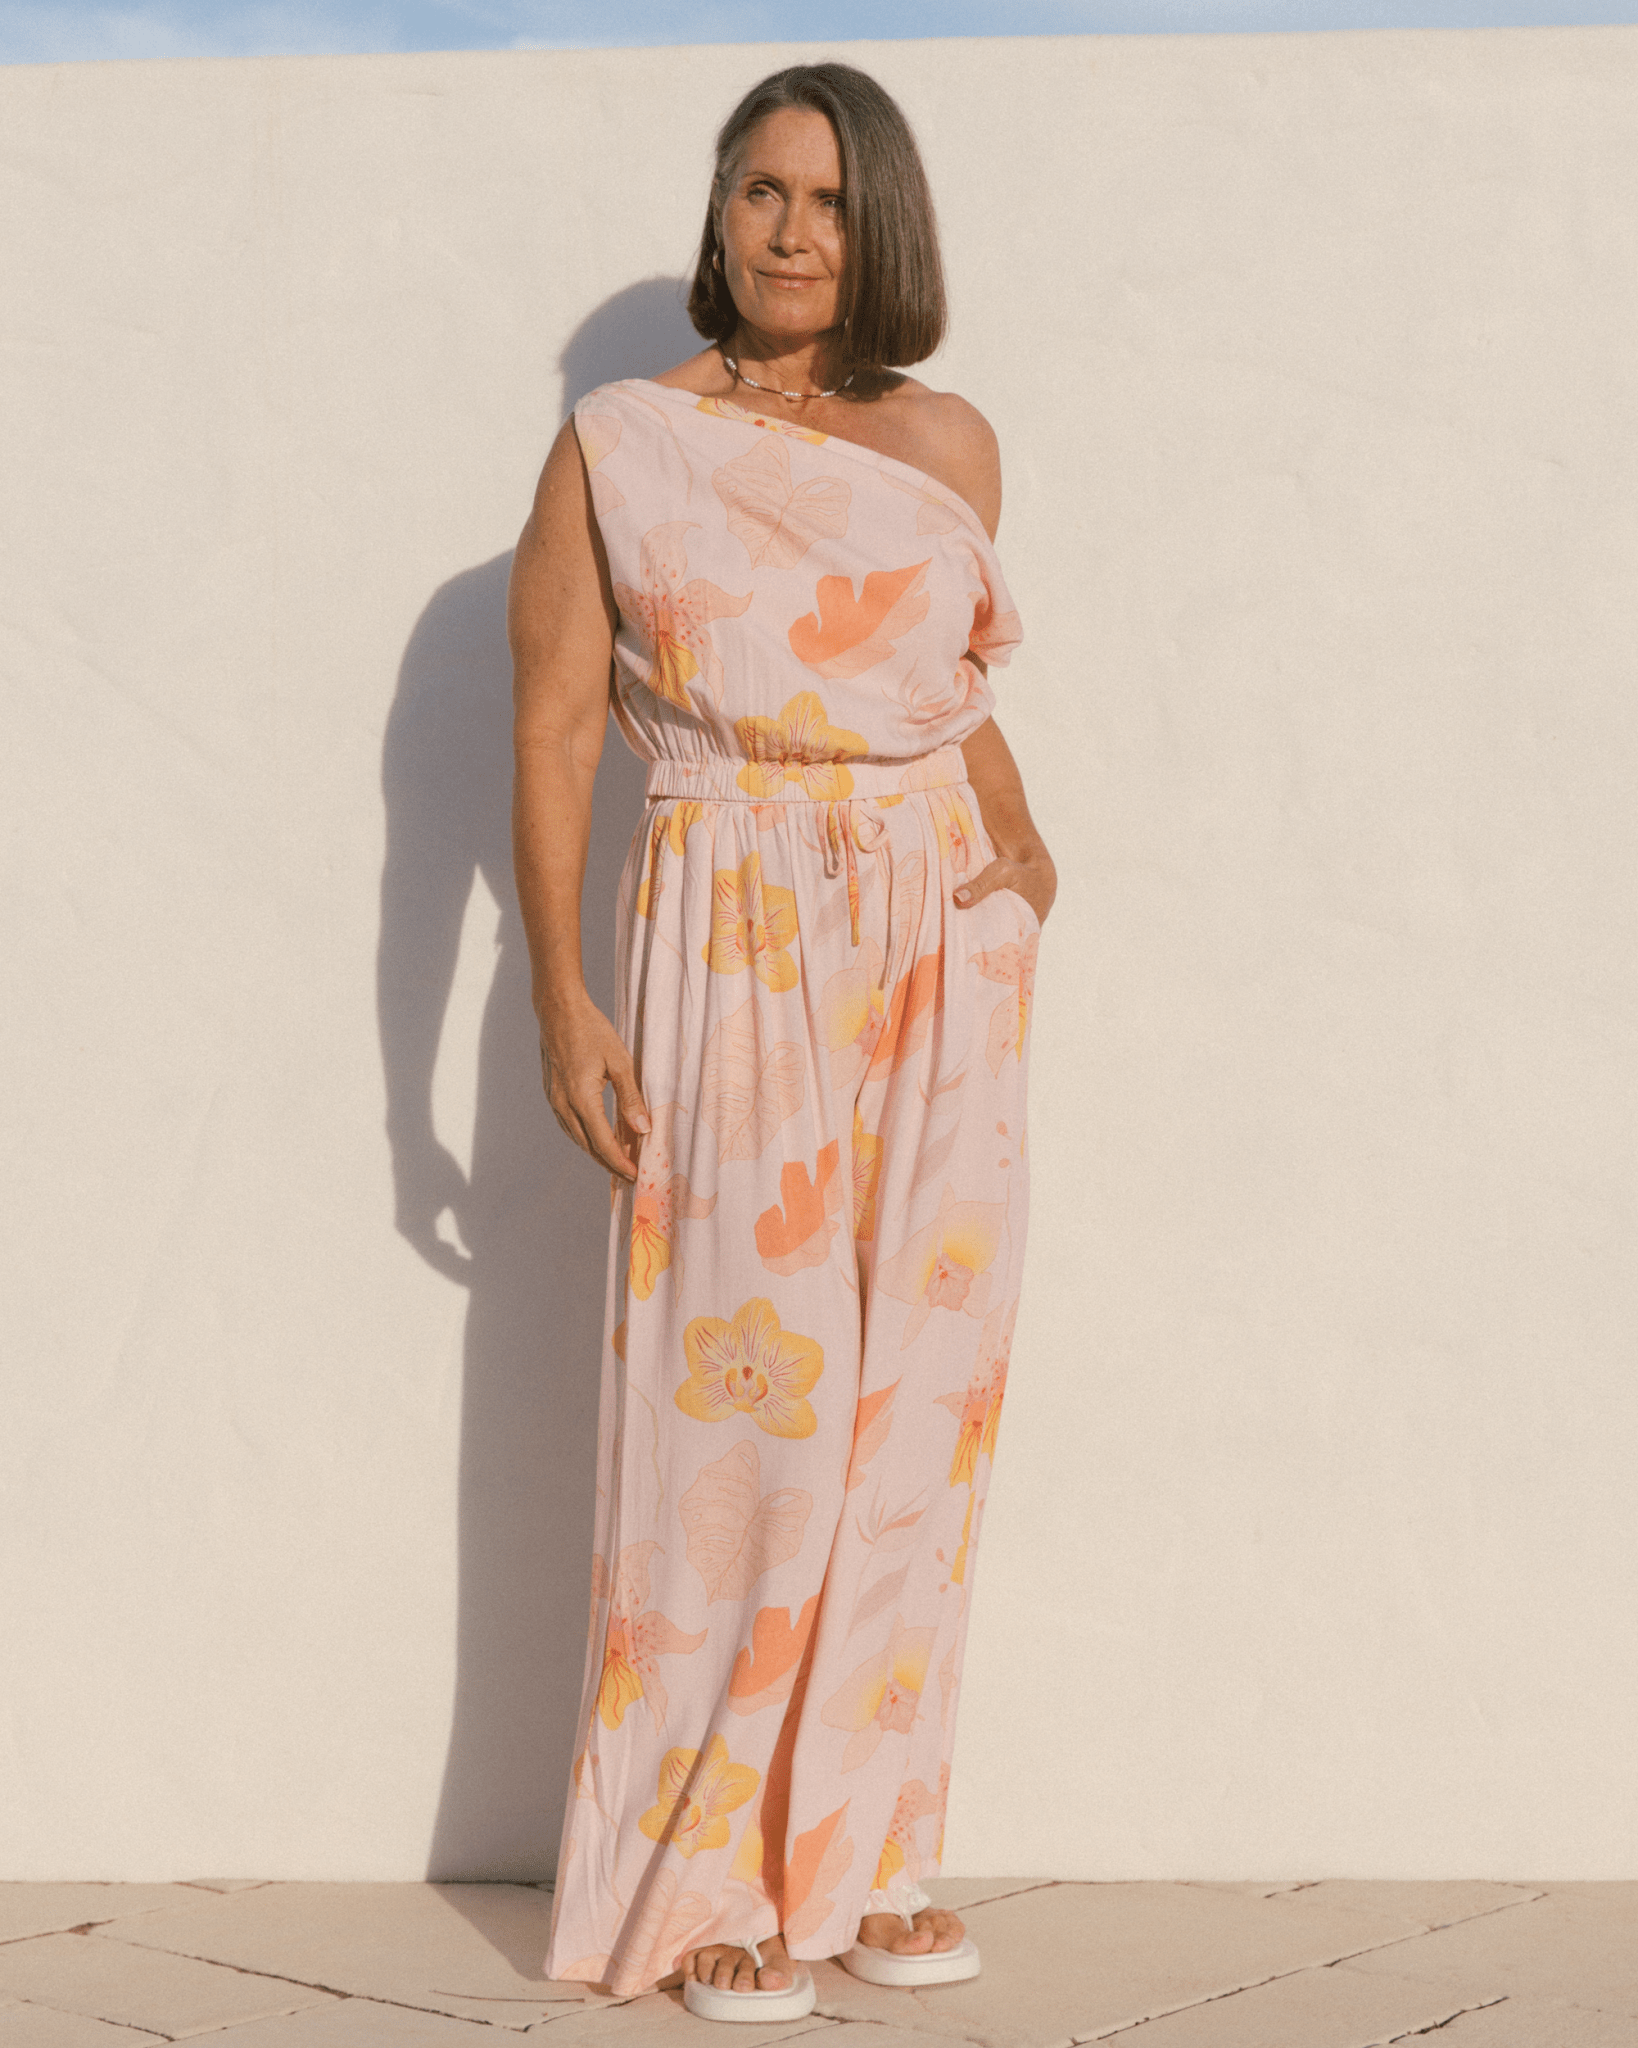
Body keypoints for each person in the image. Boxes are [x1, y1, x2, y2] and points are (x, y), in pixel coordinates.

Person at [509, 59, 1055, 2022]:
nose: (792, 227)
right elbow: (560, 720)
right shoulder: (623, 444)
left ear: (878, 221)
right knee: (744, 1415)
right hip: (729, 934)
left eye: (827, 197)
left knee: (914, 1406)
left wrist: (1015, 841)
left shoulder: (948, 436)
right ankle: (698, 1883)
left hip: (933, 948)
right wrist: (566, 995)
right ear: (719, 215)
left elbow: (939, 671)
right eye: (760, 191)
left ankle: (869, 1850)